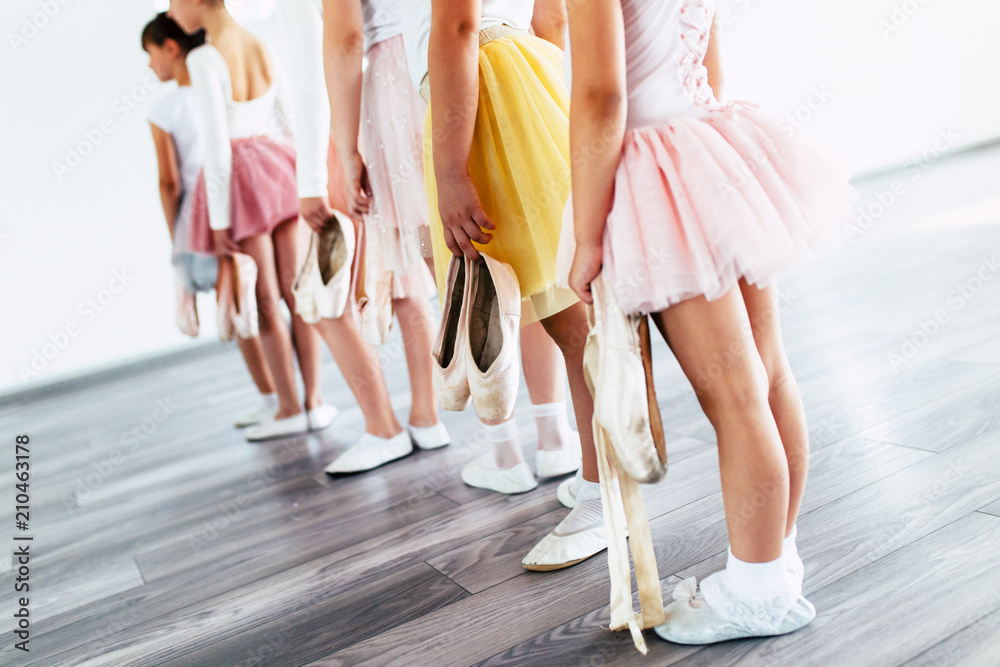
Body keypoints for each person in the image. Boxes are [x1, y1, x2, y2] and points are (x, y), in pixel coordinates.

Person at [564, 0, 853, 644]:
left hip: (654, 168)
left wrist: (586, 237)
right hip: (713, 143)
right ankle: (774, 557)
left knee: (735, 396)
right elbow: (706, 59)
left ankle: (757, 593)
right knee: (768, 374)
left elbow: (602, 95)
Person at [402, 0, 612, 571]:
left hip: (483, 89)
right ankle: (598, 474)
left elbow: (456, 25)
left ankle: (605, 496)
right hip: (525, 76)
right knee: (567, 304)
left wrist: (449, 169)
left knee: (570, 315)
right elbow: (553, 18)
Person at [168, 0, 338, 441]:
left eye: (171, 2)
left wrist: (219, 221)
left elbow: (217, 146)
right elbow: (286, 116)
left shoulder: (203, 57)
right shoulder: (261, 45)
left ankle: (287, 408)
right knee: (295, 291)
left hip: (240, 183)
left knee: (262, 300)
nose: (170, 13)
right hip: (277, 167)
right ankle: (314, 402)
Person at [278, 0, 430, 472]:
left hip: (359, 113)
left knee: (324, 296)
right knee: (408, 271)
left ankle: (382, 426)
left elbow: (316, 68)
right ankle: (427, 417)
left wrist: (313, 180)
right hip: (426, 72)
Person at [143, 11, 279, 429]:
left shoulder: (165, 108)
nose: (150, 66)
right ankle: (297, 396)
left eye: (150, 55)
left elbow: (169, 182)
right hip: (254, 192)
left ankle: (272, 397)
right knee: (271, 297)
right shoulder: (227, 68)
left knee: (238, 304)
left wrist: (177, 239)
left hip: (206, 214)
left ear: (171, 47)